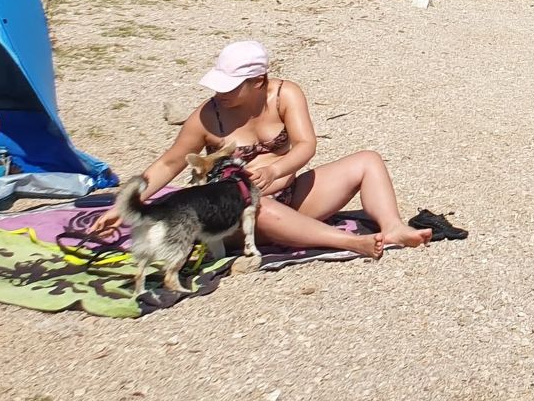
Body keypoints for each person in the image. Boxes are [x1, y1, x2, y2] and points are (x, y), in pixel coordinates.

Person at [95, 40, 430, 257]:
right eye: (218, 84)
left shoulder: (286, 95)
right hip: (235, 218)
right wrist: (125, 205)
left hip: (293, 194)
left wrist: (274, 170)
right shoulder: (207, 116)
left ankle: (392, 226)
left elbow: (305, 145)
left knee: (367, 160)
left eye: (230, 87)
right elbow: (169, 164)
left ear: (259, 81)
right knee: (261, 209)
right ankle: (348, 243)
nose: (220, 93)